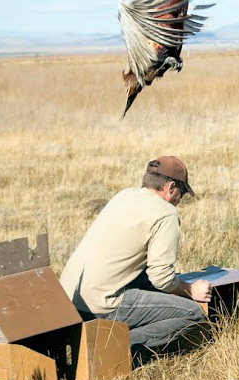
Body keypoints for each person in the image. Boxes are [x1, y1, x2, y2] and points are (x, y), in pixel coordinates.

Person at [59, 155, 213, 363]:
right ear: (170, 188)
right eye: (182, 192)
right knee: (192, 313)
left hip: (67, 300)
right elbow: (162, 279)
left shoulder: (124, 195)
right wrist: (190, 289)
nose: (180, 199)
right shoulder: (166, 214)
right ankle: (113, 349)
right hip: (101, 304)